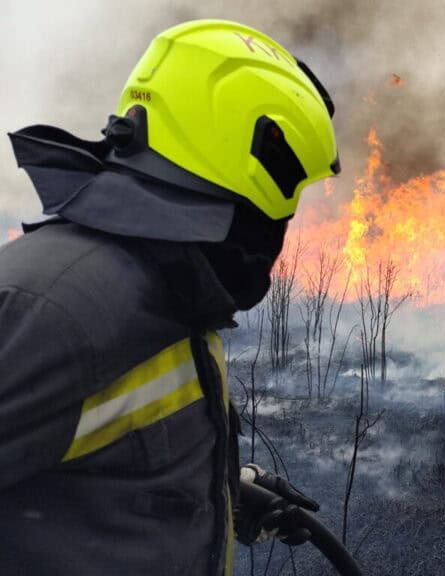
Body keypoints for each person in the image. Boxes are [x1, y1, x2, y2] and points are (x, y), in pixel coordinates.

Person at [0, 19, 338, 576]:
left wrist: (222, 493)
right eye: (290, 191)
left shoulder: (170, 290)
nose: (285, 220)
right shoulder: (49, 310)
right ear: (245, 155)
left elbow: (105, 464)